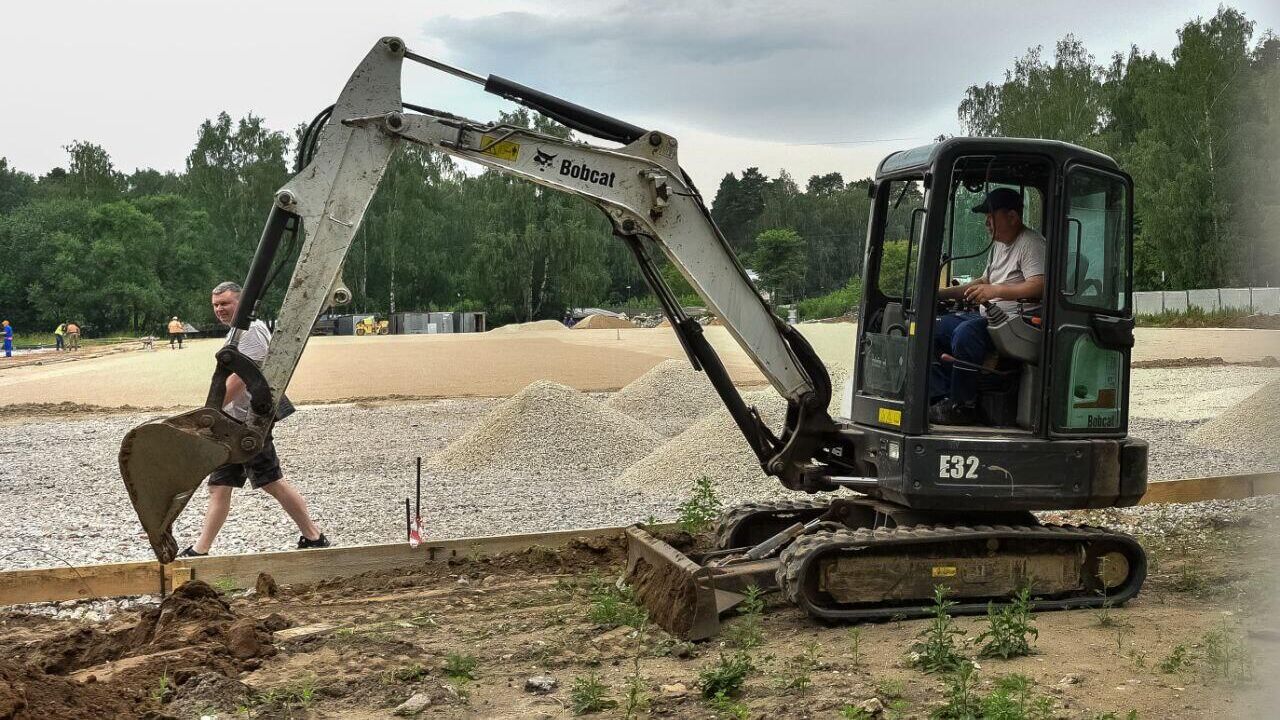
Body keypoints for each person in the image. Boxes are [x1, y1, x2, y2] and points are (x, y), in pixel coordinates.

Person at [179, 281, 330, 557]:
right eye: (215, 305)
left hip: (250, 422)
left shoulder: (251, 330)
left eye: (225, 303)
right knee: (219, 486)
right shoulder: (238, 332)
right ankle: (201, 550)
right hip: (232, 421)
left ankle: (314, 536)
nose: (219, 310)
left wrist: (212, 409)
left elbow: (246, 375)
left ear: (241, 302)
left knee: (270, 480)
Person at [928, 188, 1045, 425]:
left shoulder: (1031, 244)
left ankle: (964, 405)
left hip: (1014, 325)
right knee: (933, 328)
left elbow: (1039, 285)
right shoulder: (999, 246)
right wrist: (940, 294)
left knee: (965, 335)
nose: (986, 223)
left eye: (991, 216)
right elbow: (985, 281)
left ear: (1012, 217)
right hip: (990, 318)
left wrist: (996, 291)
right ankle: (942, 398)